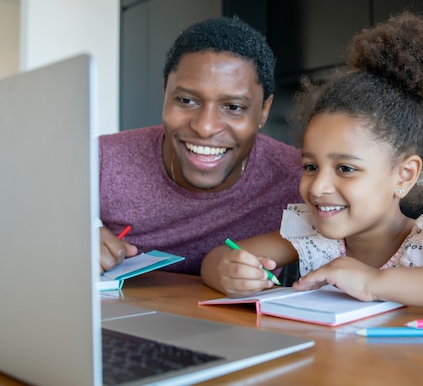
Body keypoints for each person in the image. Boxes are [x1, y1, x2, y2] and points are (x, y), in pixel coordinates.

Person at [201, 12, 423, 320]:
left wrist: (375, 283)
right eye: (310, 166)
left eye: (345, 168)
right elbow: (219, 256)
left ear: (404, 175)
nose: (317, 186)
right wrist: (228, 271)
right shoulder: (312, 236)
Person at [98, 16, 302, 275]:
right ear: (165, 94)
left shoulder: (298, 177)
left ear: (263, 111)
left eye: (233, 107)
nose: (205, 127)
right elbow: (35, 231)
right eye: (186, 100)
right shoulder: (102, 162)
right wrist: (73, 240)